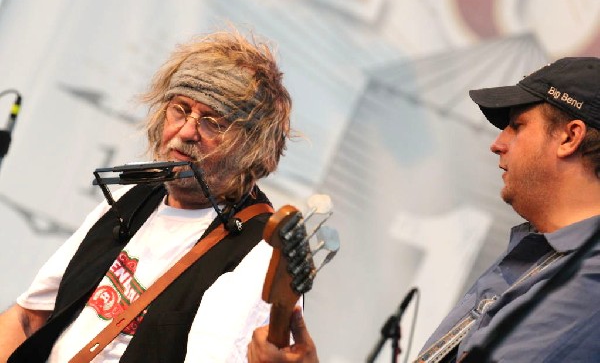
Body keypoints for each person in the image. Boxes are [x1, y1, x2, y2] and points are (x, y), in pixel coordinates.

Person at [247, 56, 600, 363]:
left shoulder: (588, 284)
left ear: (570, 137)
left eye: (516, 126)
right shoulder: (543, 255)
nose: (498, 144)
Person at [0, 29, 293, 362]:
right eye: (181, 109)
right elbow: (27, 317)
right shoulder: (134, 197)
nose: (186, 132)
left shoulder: (260, 249)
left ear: (253, 146)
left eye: (213, 122)